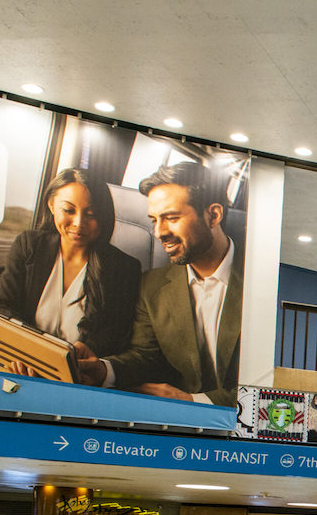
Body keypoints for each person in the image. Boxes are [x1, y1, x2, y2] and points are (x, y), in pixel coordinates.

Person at [76, 162, 243, 405]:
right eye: (154, 220)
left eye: (171, 218)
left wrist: (194, 401)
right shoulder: (151, 287)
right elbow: (145, 357)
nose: (159, 232)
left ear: (213, 215)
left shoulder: (262, 285)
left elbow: (273, 381)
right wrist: (104, 370)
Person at [0, 168, 142, 371]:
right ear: (51, 205)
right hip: (21, 363)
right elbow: (3, 306)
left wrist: (87, 350)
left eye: (91, 214)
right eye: (69, 210)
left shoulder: (124, 267)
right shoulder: (28, 246)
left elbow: (117, 335)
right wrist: (23, 352)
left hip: (79, 372)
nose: (79, 223)